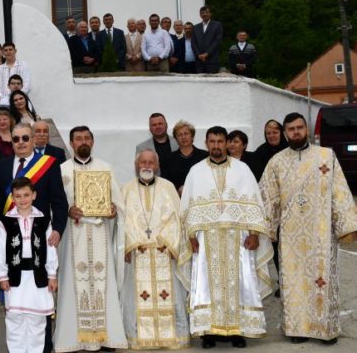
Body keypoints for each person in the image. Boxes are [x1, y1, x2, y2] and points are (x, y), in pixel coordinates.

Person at [258, 112, 357, 344]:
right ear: (285, 133)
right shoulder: (276, 162)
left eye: (299, 128)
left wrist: (348, 224)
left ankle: (325, 329)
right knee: (293, 282)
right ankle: (297, 329)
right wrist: (265, 229)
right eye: (291, 129)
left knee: (323, 281)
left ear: (307, 130)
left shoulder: (326, 156)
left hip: (321, 233)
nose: (296, 132)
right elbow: (267, 198)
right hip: (291, 236)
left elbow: (339, 191)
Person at [177, 126, 274, 348]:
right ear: (206, 143)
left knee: (239, 282)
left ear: (225, 143)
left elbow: (253, 205)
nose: (216, 146)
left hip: (237, 239)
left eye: (220, 141)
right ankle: (208, 332)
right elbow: (187, 209)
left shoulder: (242, 170)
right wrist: (190, 236)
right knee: (207, 285)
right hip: (206, 239)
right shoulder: (195, 171)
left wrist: (255, 234)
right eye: (212, 142)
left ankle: (238, 331)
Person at [55, 126, 127, 351]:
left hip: (100, 234)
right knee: (72, 286)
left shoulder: (105, 168)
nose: (83, 141)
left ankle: (107, 338)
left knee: (104, 284)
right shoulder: (62, 170)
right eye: (78, 139)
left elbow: (119, 204)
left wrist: (114, 210)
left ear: (92, 141)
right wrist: (67, 211)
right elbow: (54, 205)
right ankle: (72, 340)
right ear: (71, 143)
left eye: (87, 138)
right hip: (73, 236)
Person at [120, 149, 190, 349]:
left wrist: (166, 241)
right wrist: (131, 242)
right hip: (137, 252)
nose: (147, 166)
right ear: (136, 165)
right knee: (136, 296)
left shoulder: (168, 187)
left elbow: (177, 218)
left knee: (170, 295)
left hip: (164, 252)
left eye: (151, 162)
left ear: (157, 166)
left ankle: (174, 336)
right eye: (143, 162)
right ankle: (139, 337)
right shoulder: (126, 189)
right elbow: (124, 221)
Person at [0, 177, 58, 353]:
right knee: (15, 320)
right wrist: (3, 276)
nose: (22, 199)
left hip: (38, 277)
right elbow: (0, 251)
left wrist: (52, 274)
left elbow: (50, 249)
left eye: (26, 195)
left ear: (34, 195)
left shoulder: (43, 220)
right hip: (16, 277)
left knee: (37, 321)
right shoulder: (5, 222)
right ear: (12, 198)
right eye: (18, 196)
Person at [162, 120, 208, 194]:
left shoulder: (204, 156)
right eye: (179, 135)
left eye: (186, 133)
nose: (183, 137)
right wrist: (177, 190)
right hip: (176, 198)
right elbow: (165, 182)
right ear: (176, 139)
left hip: (201, 196)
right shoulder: (168, 159)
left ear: (192, 136)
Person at [192, 5, 224, 73]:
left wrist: (207, 54)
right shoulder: (195, 27)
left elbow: (217, 41)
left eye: (206, 12)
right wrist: (199, 55)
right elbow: (193, 43)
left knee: (213, 82)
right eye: (202, 13)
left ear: (210, 13)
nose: (204, 14)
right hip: (199, 61)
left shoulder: (217, 25)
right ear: (200, 15)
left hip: (212, 61)